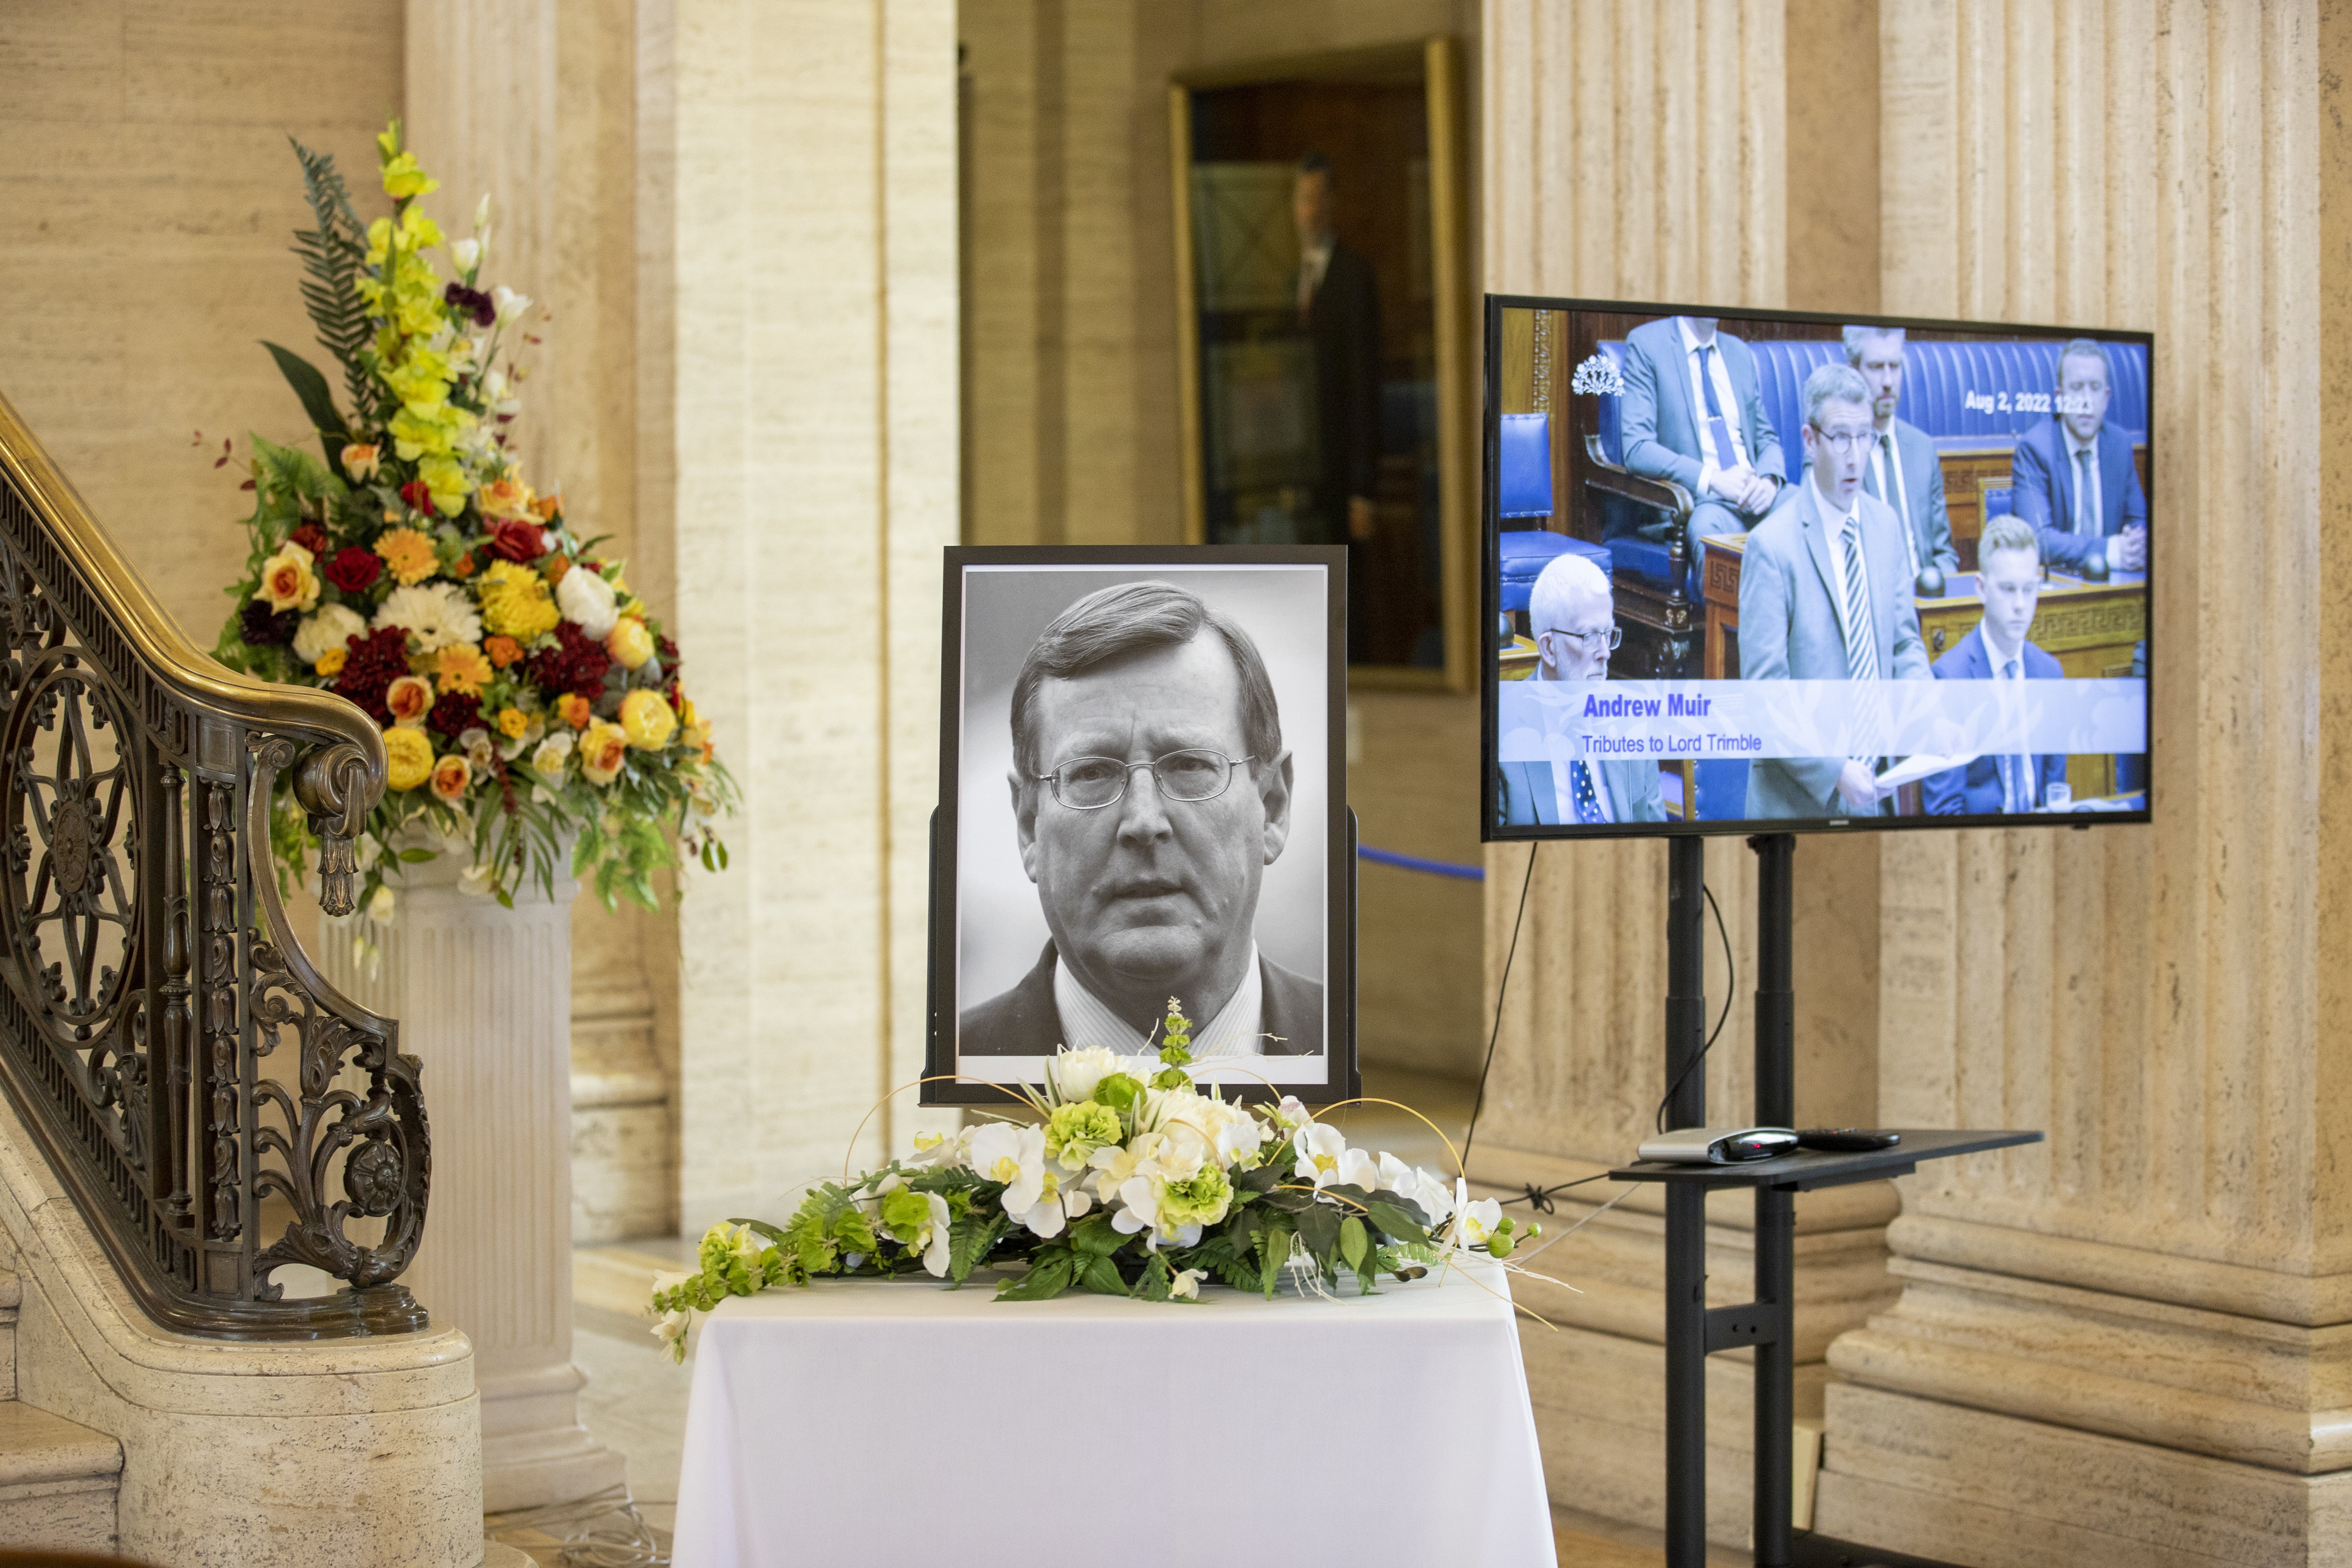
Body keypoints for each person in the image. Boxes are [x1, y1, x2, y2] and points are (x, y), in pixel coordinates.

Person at [960, 580, 1321, 1058]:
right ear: (1029, 825)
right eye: (1091, 773)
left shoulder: (1368, 1056)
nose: (1144, 822)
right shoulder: (949, 1073)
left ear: (1272, 806)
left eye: (1190, 766)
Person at [1738, 362, 1932, 819]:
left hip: (1877, 795)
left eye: (1865, 437)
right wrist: (1834, 767)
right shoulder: (1772, 547)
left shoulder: (1885, 526)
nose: (1855, 455)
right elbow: (1767, 694)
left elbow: (1904, 643)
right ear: (1809, 440)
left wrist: (1925, 705)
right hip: (1796, 806)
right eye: (1841, 438)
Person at [1617, 315, 1785, 595]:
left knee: (1809, 509)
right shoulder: (1648, 345)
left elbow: (1767, 438)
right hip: (1701, 503)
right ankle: (1729, 640)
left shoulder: (1738, 353)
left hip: (1758, 498)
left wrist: (1770, 481)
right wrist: (1713, 479)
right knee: (1710, 531)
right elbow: (1637, 448)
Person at [1494, 552, 1666, 827]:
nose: (1605, 653)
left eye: (1608, 634)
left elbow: (1657, 842)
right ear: (1549, 649)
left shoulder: (1633, 721)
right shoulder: (1501, 732)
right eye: (1589, 637)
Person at [1921, 517, 2070, 815]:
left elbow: (2055, 791)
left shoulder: (2050, 673)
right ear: (1981, 588)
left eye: (2028, 590)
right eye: (2007, 589)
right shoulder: (1951, 679)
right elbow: (1943, 812)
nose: (2020, 605)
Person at [1293, 153, 1381, 553]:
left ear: (1332, 204)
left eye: (1317, 199)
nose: (1309, 211)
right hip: (1301, 469)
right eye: (1302, 200)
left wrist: (1363, 491)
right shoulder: (1289, 280)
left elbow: (1365, 385)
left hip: (1344, 470)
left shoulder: (1354, 275)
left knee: (1348, 591)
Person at [2007, 338, 2149, 575]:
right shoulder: (2035, 449)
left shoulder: (2119, 445)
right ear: (2060, 397)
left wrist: (2136, 544)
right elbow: (2038, 540)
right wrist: (2110, 550)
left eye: (2094, 388)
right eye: (2076, 388)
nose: (2086, 400)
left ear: (2106, 398)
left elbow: (2140, 524)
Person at [1844, 325, 1959, 584]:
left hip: (1925, 601)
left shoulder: (1922, 448)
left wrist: (1936, 592)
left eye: (1894, 367)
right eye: (1875, 367)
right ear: (1853, 373)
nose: (1888, 382)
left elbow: (1944, 553)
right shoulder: (1838, 451)